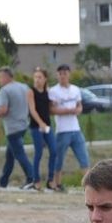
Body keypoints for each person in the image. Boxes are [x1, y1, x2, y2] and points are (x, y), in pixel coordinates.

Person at [47, 64, 88, 192]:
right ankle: (57, 183)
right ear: (57, 75)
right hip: (62, 130)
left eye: (65, 73)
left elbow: (79, 106)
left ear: (69, 74)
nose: (63, 76)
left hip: (75, 128)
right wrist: (66, 111)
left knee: (83, 157)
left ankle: (89, 185)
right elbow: (52, 109)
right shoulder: (54, 91)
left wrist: (77, 110)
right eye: (60, 74)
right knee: (59, 158)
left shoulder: (75, 89)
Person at [0, 67, 37, 190]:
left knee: (19, 154)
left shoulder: (4, 90)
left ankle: (31, 178)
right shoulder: (24, 87)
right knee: (10, 155)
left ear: (7, 77)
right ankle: (3, 181)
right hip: (24, 125)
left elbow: (3, 110)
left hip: (12, 127)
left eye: (1, 77)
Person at [27, 68, 56, 190]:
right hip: (36, 126)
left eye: (40, 77)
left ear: (45, 79)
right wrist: (40, 123)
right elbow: (32, 110)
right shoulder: (31, 92)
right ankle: (36, 180)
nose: (37, 80)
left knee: (54, 151)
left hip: (47, 126)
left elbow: (50, 107)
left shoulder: (47, 91)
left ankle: (50, 180)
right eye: (35, 77)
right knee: (39, 152)